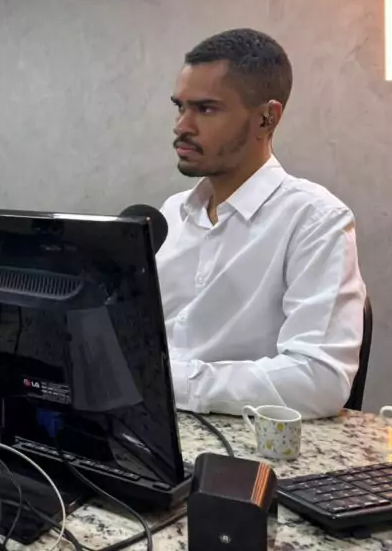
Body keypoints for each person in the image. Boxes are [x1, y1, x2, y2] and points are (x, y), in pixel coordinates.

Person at [155, 29, 366, 419]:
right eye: (180, 107)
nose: (182, 126)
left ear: (267, 118)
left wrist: (170, 383)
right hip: (147, 432)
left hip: (245, 446)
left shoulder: (314, 220)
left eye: (205, 109)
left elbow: (319, 378)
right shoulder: (170, 215)